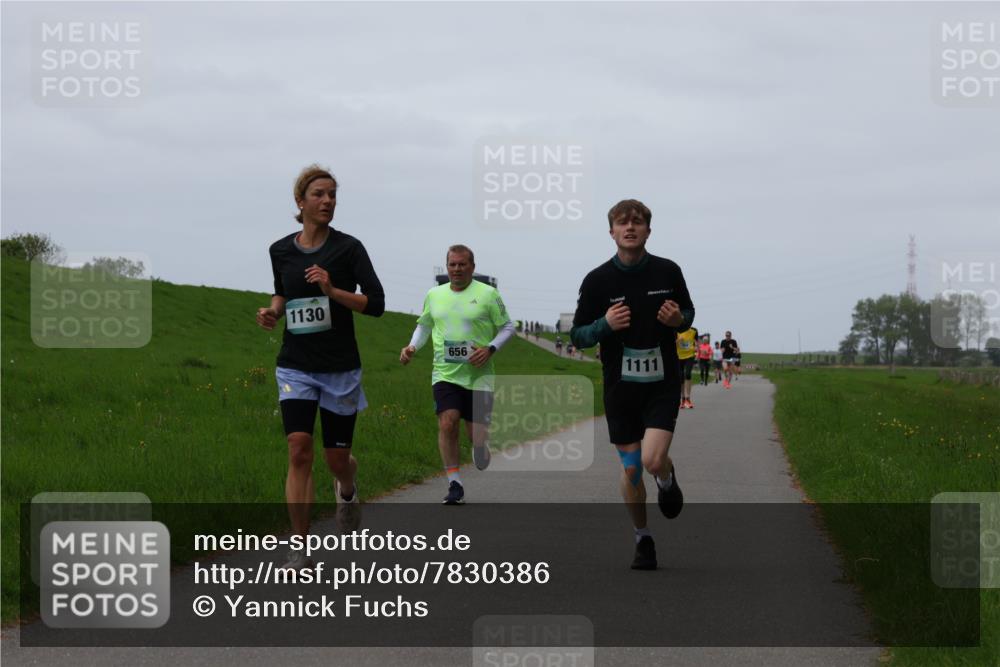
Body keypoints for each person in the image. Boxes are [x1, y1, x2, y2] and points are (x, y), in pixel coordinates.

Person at [257, 164, 385, 569]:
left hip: (339, 369)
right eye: (319, 194)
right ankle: (299, 544)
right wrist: (273, 312)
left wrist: (332, 290)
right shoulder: (280, 250)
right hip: (295, 366)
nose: (328, 200)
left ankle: (346, 488)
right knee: (298, 449)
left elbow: (377, 304)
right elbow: (283, 292)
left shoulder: (349, 249)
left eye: (332, 194)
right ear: (301, 202)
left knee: (335, 459)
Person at [570, 199, 694, 570]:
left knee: (652, 459)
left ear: (647, 231)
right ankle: (643, 539)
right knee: (631, 470)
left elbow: (688, 313)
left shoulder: (668, 272)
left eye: (637, 222)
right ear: (611, 232)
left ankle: (667, 477)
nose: (629, 228)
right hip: (620, 386)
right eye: (622, 223)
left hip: (661, 383)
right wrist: (604, 325)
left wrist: (677, 320)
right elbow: (578, 336)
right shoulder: (597, 281)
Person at [400, 245, 514, 505]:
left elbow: (507, 327)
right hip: (445, 374)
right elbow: (425, 325)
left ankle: (480, 446)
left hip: (479, 375)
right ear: (447, 266)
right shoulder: (434, 294)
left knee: (476, 435)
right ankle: (454, 482)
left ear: (472, 267)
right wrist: (412, 347)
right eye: (452, 264)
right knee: (447, 422)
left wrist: (490, 349)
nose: (457, 269)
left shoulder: (488, 294)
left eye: (462, 264)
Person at [676, 326, 698, 409]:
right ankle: (683, 399)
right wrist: (678, 340)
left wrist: (696, 347)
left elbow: (696, 342)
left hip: (690, 355)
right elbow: (672, 344)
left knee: (688, 374)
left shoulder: (694, 330)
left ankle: (688, 398)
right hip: (679, 356)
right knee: (681, 377)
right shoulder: (676, 330)